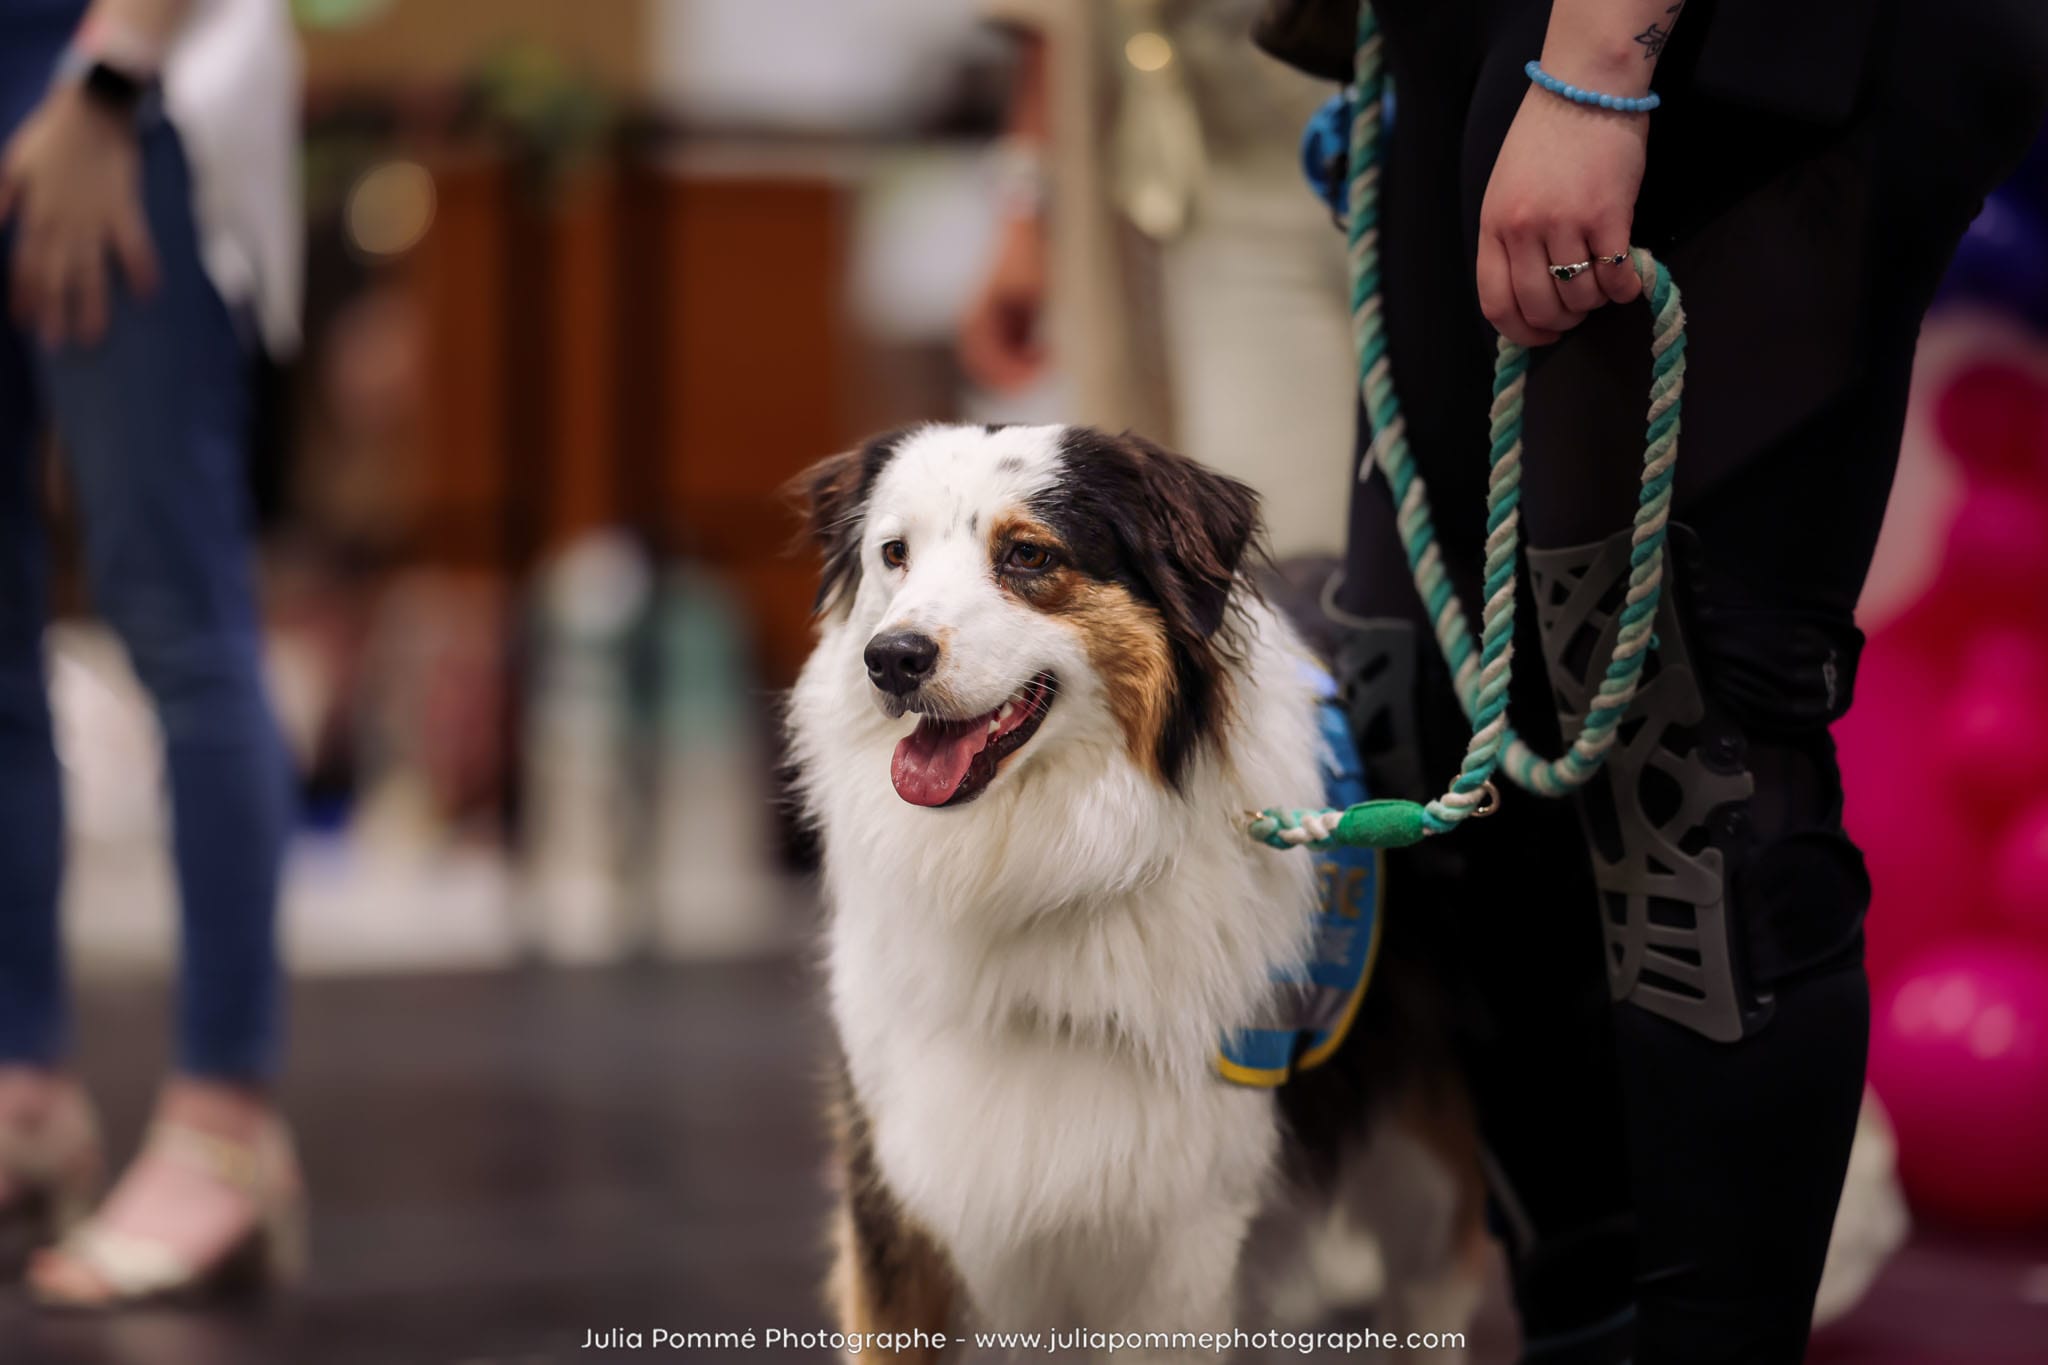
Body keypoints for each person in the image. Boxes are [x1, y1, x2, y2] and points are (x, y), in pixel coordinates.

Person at [1253, 0, 2048, 1360]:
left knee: (1685, 763)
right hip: (1480, 34)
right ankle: (1584, 1316)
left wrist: (1606, 64)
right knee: (1434, 718)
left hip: (1729, 48)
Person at [0, 0, 303, 1307]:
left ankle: (226, 1129)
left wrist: (113, 72)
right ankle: (22, 1095)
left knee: (178, 616)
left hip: (111, 75)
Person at [961, 0, 1358, 557]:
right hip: (1217, 183)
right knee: (1278, 532)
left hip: (1429, 127)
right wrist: (1024, 218)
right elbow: (1049, 30)